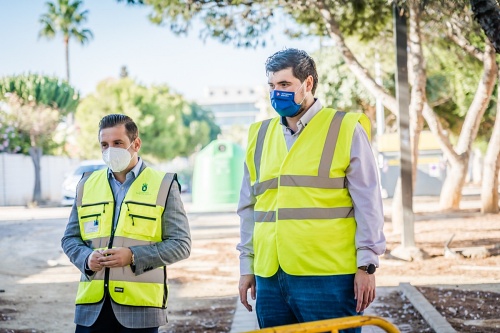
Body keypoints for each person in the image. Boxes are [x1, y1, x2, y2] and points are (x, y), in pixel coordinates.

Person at [237, 48, 386, 333]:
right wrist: (247, 266)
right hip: (270, 278)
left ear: (307, 84)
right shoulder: (259, 135)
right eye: (271, 85)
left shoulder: (345, 128)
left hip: (329, 277)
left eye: (284, 85)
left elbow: (368, 203)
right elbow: (248, 208)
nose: (276, 92)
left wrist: (367, 265)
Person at [62, 114, 191, 333]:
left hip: (140, 311)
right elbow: (70, 238)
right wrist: (86, 258)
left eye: (117, 143)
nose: (109, 150)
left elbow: (181, 245)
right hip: (91, 310)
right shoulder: (86, 185)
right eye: (104, 144)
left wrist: (132, 256)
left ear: (136, 143)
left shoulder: (164, 185)